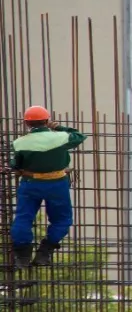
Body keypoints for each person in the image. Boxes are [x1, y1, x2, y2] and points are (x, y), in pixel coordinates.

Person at [7, 106, 87, 268]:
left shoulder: (19, 143)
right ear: (46, 121)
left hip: (30, 184)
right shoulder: (60, 138)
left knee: (23, 218)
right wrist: (57, 127)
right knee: (62, 219)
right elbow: (79, 136)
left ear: (27, 123)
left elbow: (16, 165)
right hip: (57, 183)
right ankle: (45, 252)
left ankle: (22, 256)